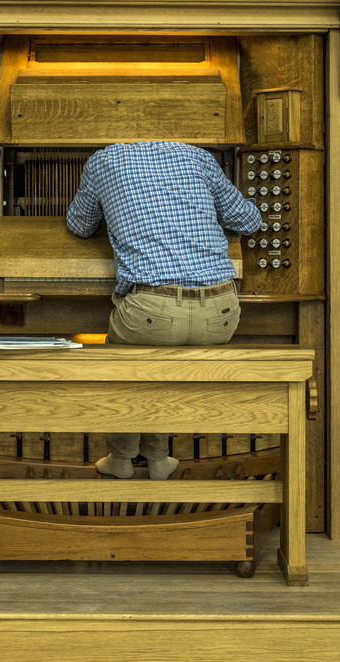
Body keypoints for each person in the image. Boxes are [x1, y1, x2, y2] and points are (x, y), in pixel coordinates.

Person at [66, 141, 262, 480]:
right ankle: (157, 459)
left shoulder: (103, 161)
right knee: (162, 366)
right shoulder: (199, 156)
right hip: (221, 310)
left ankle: (122, 458)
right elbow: (248, 221)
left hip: (153, 309)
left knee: (124, 370)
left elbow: (80, 226)